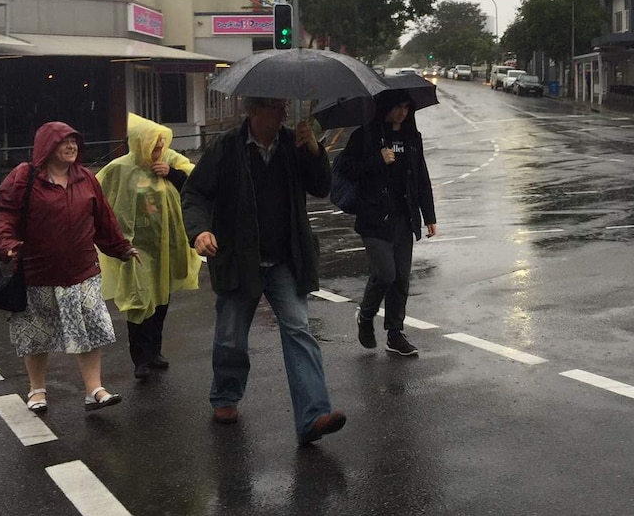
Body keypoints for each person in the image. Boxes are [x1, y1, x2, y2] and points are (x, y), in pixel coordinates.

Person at [181, 97, 346, 446]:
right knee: (230, 337)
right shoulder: (226, 146)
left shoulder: (294, 144)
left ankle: (313, 415)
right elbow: (195, 193)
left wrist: (314, 151)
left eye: (284, 106)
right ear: (254, 111)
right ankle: (226, 395)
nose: (284, 113)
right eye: (275, 107)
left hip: (287, 259)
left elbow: (321, 188)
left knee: (300, 331)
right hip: (240, 259)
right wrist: (200, 232)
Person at [0, 121, 139, 413]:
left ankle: (94, 390)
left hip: (82, 272)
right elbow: (0, 214)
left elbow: (104, 219)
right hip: (36, 274)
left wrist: (122, 247)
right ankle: (37, 390)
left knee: (91, 330)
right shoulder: (24, 177)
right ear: (46, 147)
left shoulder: (85, 178)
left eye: (74, 141)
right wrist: (6, 243)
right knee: (36, 335)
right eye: (63, 142)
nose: (71, 146)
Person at [96, 113, 201, 380]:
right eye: (153, 145)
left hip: (166, 244)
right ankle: (140, 358)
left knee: (161, 298)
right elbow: (93, 194)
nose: (158, 150)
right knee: (139, 300)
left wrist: (173, 174)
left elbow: (198, 183)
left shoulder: (169, 160)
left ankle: (155, 351)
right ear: (139, 142)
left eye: (160, 145)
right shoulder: (119, 168)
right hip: (136, 248)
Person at [336, 89, 437, 356]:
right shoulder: (365, 136)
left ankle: (395, 333)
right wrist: (377, 161)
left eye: (406, 107)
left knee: (401, 278)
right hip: (374, 217)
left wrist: (429, 216)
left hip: (404, 218)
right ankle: (366, 315)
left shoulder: (412, 137)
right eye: (397, 107)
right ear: (385, 107)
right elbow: (344, 167)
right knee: (385, 274)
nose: (402, 112)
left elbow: (421, 177)